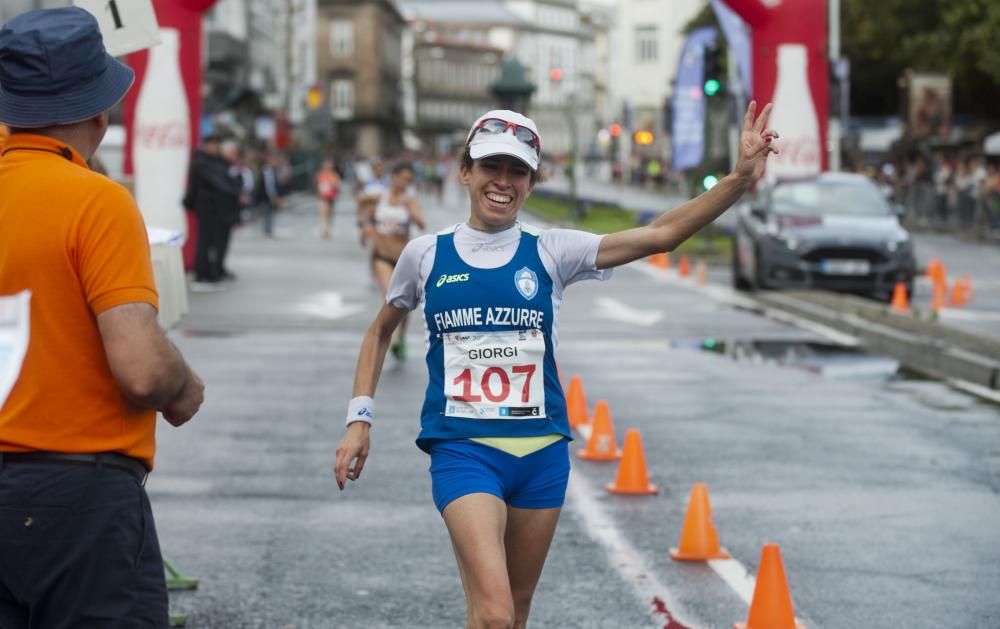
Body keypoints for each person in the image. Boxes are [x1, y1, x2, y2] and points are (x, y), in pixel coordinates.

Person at [333, 104, 778, 629]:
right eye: (490, 167)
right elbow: (380, 330)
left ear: (532, 181)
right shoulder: (425, 254)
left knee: (511, 613)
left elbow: (660, 235)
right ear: (465, 172)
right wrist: (359, 419)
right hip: (463, 451)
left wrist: (738, 179)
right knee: (496, 614)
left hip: (541, 456)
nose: (503, 182)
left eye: (517, 171)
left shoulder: (552, 250)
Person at [0, 7, 205, 628]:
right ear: (100, 108)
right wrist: (184, 386)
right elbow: (141, 368)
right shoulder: (95, 199)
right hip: (77, 495)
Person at [358, 162, 425, 360]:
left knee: (404, 301)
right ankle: (392, 338)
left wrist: (408, 209)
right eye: (404, 178)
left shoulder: (410, 200)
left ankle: (400, 337)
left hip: (403, 257)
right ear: (394, 177)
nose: (406, 183)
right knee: (391, 296)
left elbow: (421, 224)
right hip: (381, 255)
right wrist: (365, 229)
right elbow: (362, 208)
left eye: (409, 180)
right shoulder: (380, 197)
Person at [184, 134, 240, 289]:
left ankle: (212, 272)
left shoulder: (216, 162)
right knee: (204, 242)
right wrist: (234, 190)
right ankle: (202, 275)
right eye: (212, 145)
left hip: (216, 208)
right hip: (205, 207)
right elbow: (219, 182)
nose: (215, 148)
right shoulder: (201, 163)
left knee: (213, 242)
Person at [315, 157, 342, 239]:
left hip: (331, 197)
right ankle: (323, 230)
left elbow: (338, 186)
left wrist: (335, 186)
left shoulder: (334, 175)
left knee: (330, 215)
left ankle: (328, 230)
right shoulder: (320, 174)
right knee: (323, 214)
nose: (328, 166)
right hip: (323, 197)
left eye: (329, 164)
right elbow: (317, 185)